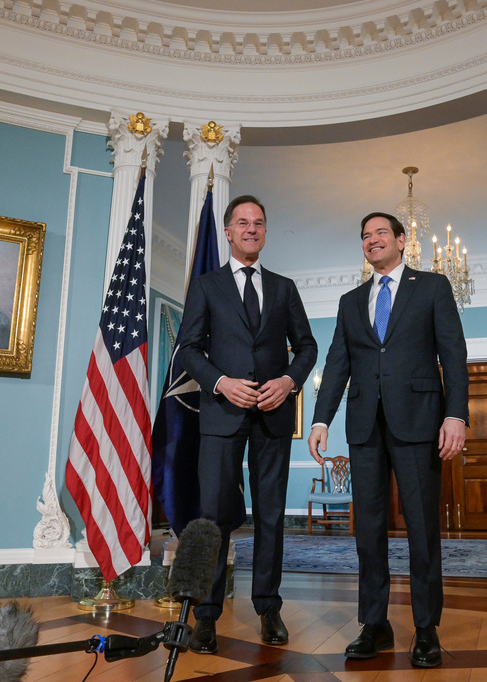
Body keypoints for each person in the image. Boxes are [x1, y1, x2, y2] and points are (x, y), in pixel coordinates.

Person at [308, 211, 468, 668]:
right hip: (363, 428)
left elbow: (453, 353)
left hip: (419, 423)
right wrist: (321, 421)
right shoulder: (350, 300)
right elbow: (338, 364)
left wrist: (455, 414)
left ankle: (425, 628)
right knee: (369, 533)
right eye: (365, 236)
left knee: (421, 528)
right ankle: (374, 624)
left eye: (381, 233)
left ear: (401, 240)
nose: (372, 240)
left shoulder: (433, 286)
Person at [178, 195, 317, 653]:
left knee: (272, 516)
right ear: (229, 231)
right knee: (213, 517)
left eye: (259, 223)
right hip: (221, 416)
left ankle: (268, 607)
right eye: (243, 222)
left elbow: (308, 347)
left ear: (264, 231)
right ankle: (206, 615)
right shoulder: (205, 286)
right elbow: (188, 349)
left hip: (274, 416)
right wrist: (220, 382)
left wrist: (290, 380)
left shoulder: (284, 287)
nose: (252, 229)